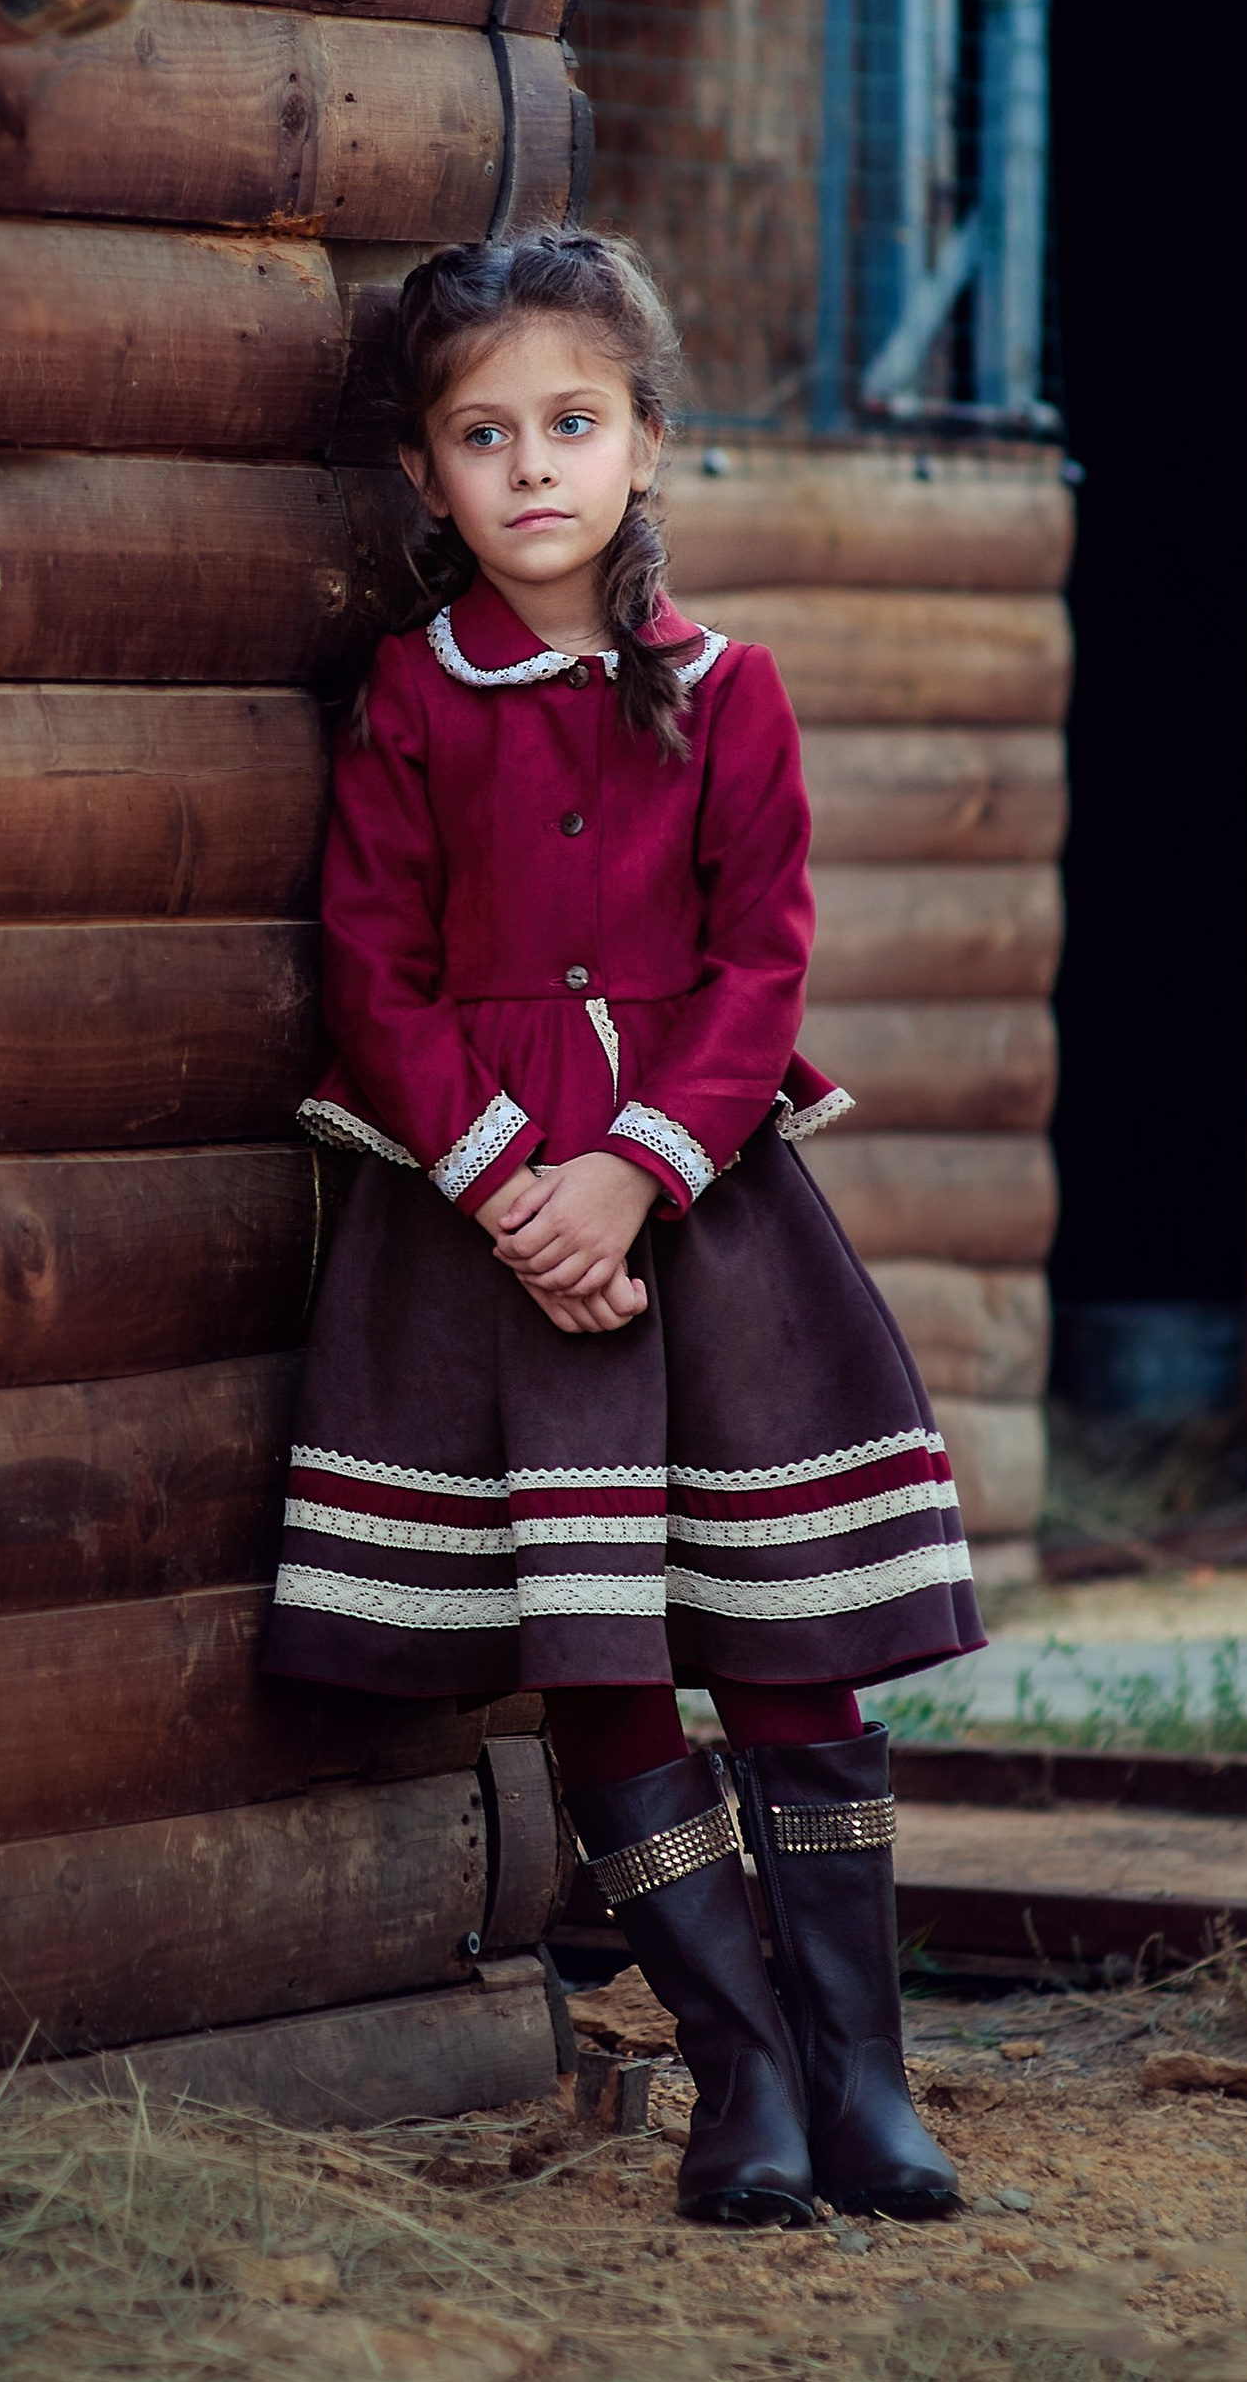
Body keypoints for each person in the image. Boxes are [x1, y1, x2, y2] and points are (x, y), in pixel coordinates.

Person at [260, 228, 981, 2227]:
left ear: (645, 442)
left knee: (776, 1637)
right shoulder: (408, 702)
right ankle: (731, 2073)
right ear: (423, 476)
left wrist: (628, 1172)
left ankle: (861, 2075)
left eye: (569, 423)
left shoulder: (721, 694)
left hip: (701, 1220)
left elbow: (760, 964)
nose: (529, 470)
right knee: (596, 1650)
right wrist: (509, 1186)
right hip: (489, 1240)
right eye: (479, 437)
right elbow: (371, 973)